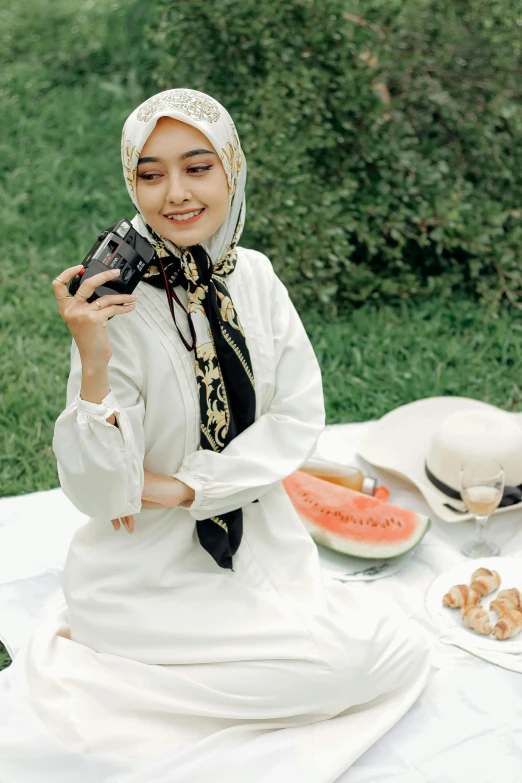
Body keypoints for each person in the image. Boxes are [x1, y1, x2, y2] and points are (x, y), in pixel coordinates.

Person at [0, 88, 432, 782]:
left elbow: (296, 416)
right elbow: (103, 489)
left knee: (400, 647)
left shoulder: (254, 277)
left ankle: (177, 695)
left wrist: (188, 486)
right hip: (141, 577)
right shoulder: (116, 306)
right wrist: (94, 357)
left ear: (232, 169)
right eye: (150, 173)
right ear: (129, 182)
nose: (175, 193)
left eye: (197, 167)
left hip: (262, 540)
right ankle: (125, 688)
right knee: (341, 668)